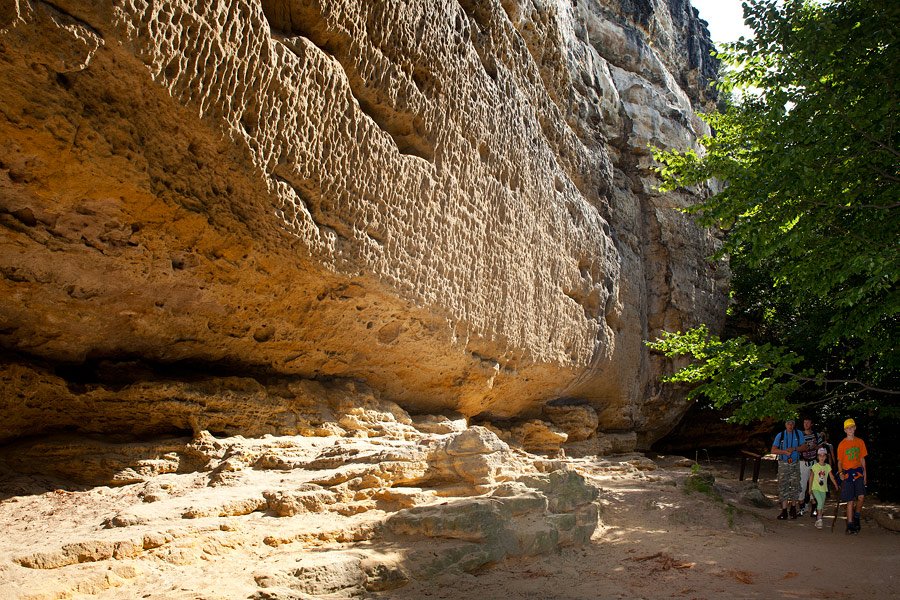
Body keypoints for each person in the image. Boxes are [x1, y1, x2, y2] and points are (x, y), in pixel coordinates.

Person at [837, 418, 868, 534]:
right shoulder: (842, 444)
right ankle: (850, 525)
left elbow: (862, 459)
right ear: (845, 430)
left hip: (859, 472)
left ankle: (857, 517)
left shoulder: (860, 442)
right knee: (850, 500)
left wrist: (865, 475)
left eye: (852, 427)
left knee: (861, 497)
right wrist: (840, 473)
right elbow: (839, 462)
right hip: (847, 474)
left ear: (855, 428)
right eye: (848, 428)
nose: (850, 429)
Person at [771, 418, 805, 519]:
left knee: (795, 485)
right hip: (783, 464)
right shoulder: (780, 435)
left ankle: (793, 508)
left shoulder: (799, 434)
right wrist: (784, 452)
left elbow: (804, 447)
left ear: (794, 425)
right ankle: (784, 511)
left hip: (795, 463)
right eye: (788, 424)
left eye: (792, 424)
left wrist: (794, 449)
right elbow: (773, 450)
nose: (790, 426)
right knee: (783, 485)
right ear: (785, 424)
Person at [797, 416, 825, 517]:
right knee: (802, 484)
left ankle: (814, 509)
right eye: (805, 422)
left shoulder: (817, 436)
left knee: (814, 485)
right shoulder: (799, 435)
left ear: (811, 424)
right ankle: (802, 507)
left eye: (808, 422)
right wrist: (805, 448)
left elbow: (822, 449)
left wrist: (815, 447)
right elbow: (796, 448)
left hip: (814, 463)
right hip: (802, 462)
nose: (806, 424)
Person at [808, 447, 839, 529]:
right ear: (817, 457)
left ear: (826, 457)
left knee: (821, 504)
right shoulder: (815, 466)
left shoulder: (827, 466)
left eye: (823, 455)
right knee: (820, 502)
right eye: (820, 456)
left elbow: (831, 477)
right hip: (815, 488)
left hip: (823, 489)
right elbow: (811, 477)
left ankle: (818, 520)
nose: (822, 457)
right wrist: (809, 488)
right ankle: (819, 519)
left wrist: (836, 484)